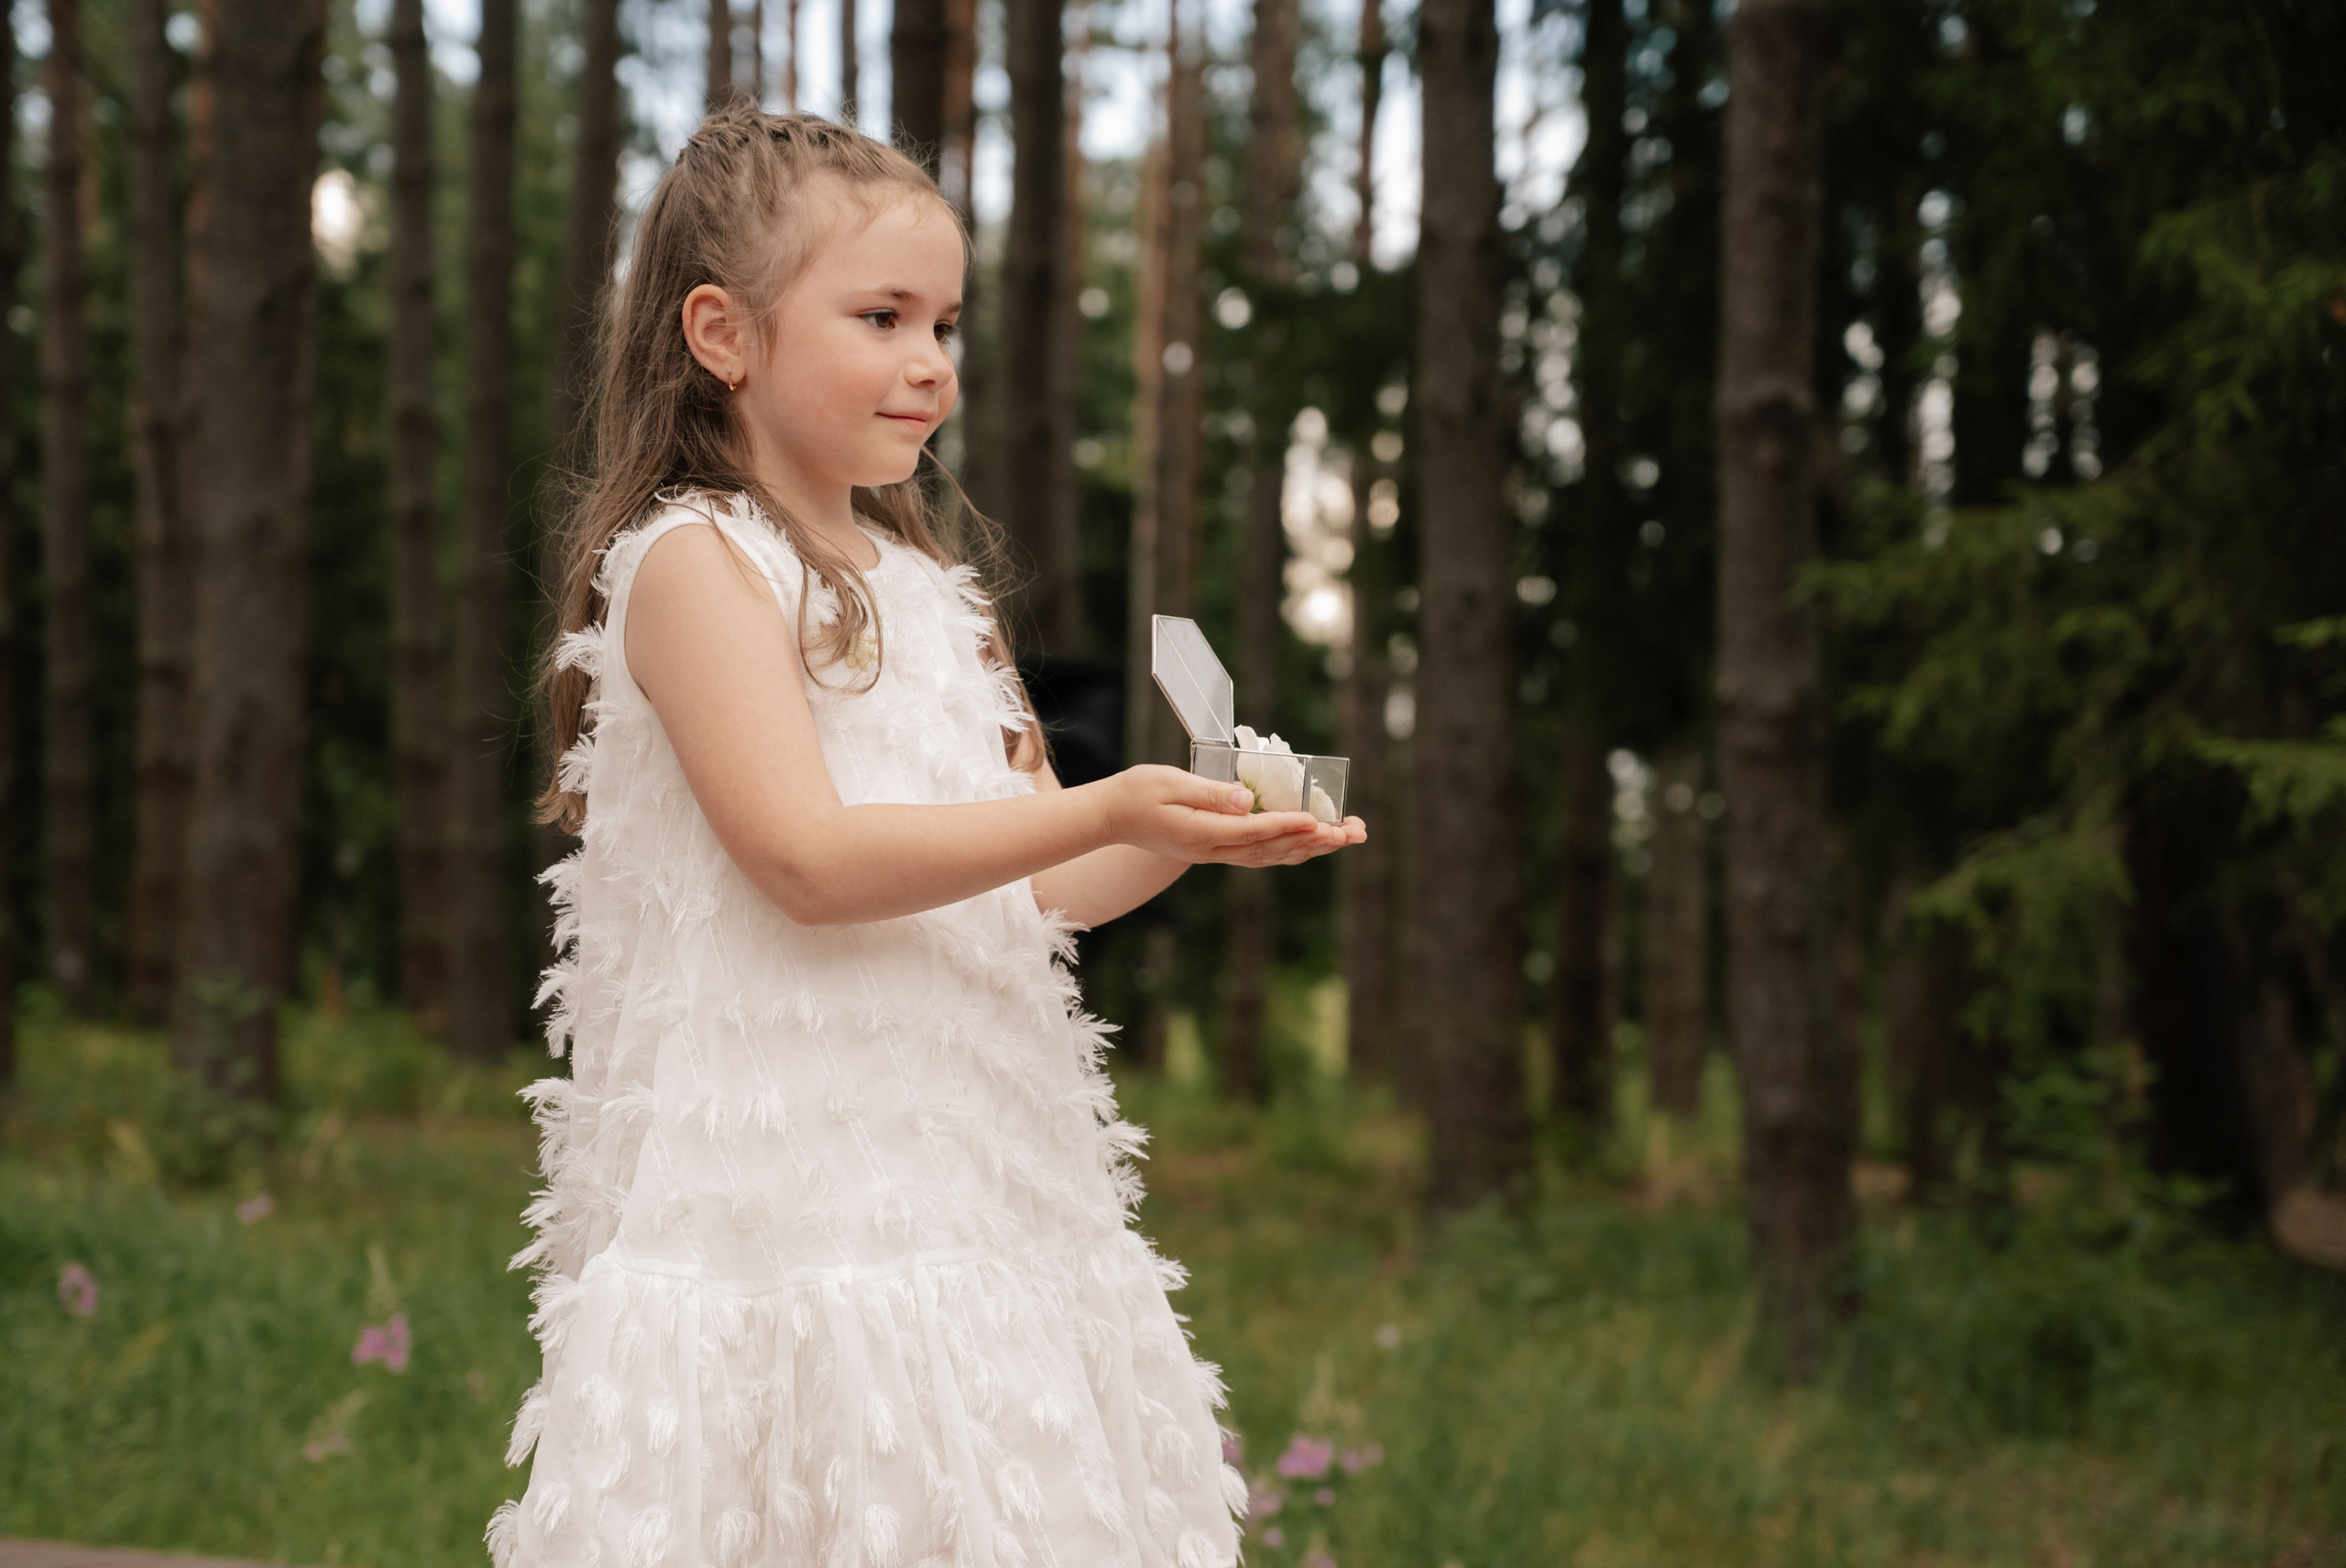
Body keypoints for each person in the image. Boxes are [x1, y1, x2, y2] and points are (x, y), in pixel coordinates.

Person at [488, 108, 1364, 1568]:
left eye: (946, 322)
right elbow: (805, 860)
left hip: (979, 1175)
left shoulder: (934, 586)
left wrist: (1178, 832)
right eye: (882, 315)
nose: (931, 362)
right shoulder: (698, 567)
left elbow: (1037, 879)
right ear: (724, 332)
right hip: (788, 1195)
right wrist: (1105, 797)